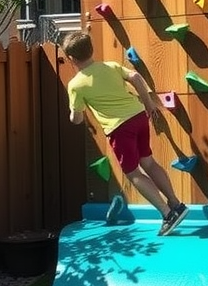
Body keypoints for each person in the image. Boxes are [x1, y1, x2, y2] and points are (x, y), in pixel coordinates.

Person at [61, 30, 188, 235]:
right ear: (91, 50)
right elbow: (135, 76)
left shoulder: (76, 85)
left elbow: (77, 119)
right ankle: (175, 204)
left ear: (71, 58)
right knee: (148, 162)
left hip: (119, 128)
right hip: (138, 116)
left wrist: (72, 115)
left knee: (133, 173)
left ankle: (167, 214)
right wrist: (148, 104)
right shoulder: (110, 66)